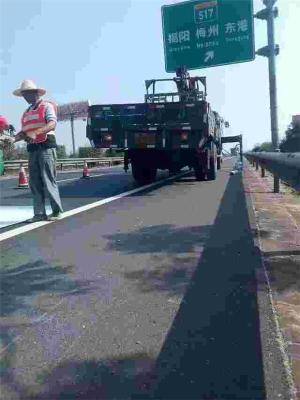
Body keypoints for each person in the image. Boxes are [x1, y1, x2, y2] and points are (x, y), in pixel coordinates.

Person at [12, 79, 63, 222]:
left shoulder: (46, 106)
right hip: (33, 148)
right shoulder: (26, 112)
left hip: (46, 145)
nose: (25, 97)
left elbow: (52, 124)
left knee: (48, 179)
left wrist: (37, 132)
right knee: (34, 182)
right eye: (23, 95)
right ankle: (39, 213)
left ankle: (56, 211)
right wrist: (12, 140)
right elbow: (24, 132)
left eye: (27, 94)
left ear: (35, 93)